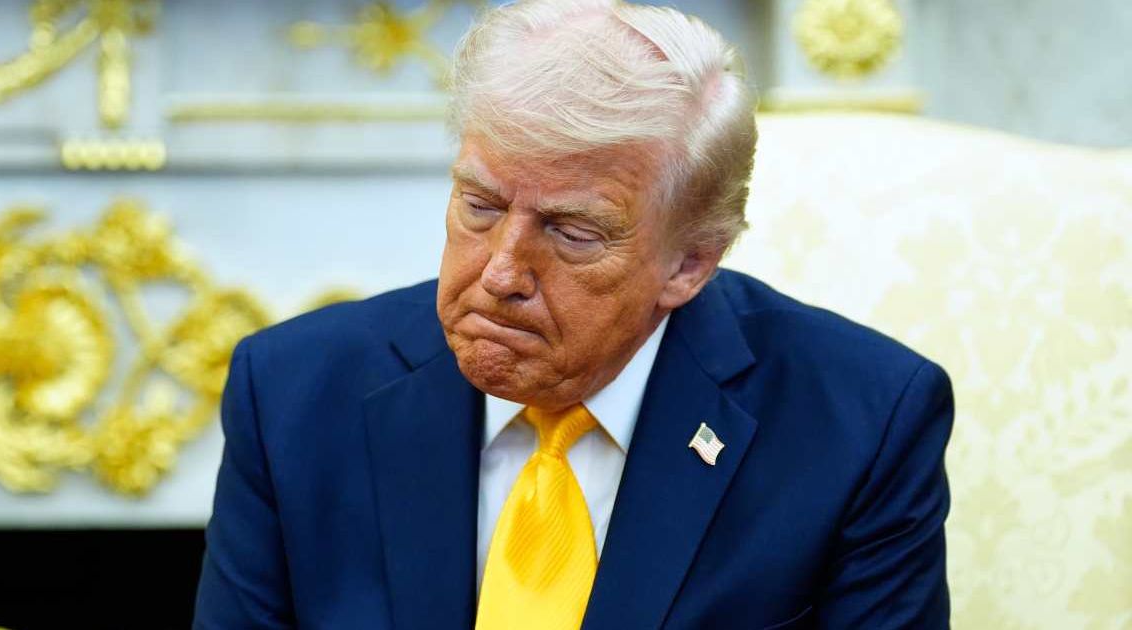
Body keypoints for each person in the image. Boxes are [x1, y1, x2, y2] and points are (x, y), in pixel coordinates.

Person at [193, 0, 954, 628]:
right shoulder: (291, 393)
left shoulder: (861, 423)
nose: (500, 273)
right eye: (480, 205)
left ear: (688, 263)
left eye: (572, 232)